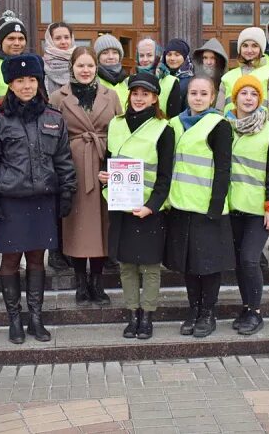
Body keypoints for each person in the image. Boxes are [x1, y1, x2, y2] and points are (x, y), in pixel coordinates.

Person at [0, 54, 77, 344]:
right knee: (10, 260)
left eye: (31, 80)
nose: (26, 86)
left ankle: (35, 317)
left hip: (43, 200)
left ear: (39, 82)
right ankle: (14, 320)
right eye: (20, 81)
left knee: (36, 260)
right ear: (10, 84)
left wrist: (67, 190)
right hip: (11, 201)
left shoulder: (53, 118)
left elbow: (63, 160)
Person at [99, 72, 175, 339]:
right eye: (135, 93)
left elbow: (166, 176)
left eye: (146, 94)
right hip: (120, 205)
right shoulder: (116, 124)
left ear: (155, 98)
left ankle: (148, 316)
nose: (139, 98)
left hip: (148, 209)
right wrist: (103, 176)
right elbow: (109, 159)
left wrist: (151, 206)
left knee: (150, 266)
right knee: (126, 265)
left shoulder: (164, 129)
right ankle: (132, 314)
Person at [49, 46, 122, 306]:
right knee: (78, 227)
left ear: (96, 68)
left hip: (103, 165)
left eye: (90, 65)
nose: (85, 70)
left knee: (102, 226)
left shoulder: (111, 95)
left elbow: (121, 130)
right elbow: (53, 135)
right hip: (73, 167)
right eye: (80, 65)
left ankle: (98, 282)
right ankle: (81, 282)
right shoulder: (59, 97)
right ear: (72, 67)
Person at [166, 76, 235, 338]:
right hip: (181, 205)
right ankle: (193, 309)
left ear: (212, 97)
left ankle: (208, 312)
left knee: (208, 265)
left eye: (203, 93)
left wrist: (216, 204)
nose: (197, 97)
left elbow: (223, 167)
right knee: (189, 264)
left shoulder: (219, 125)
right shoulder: (174, 124)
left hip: (207, 207)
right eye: (193, 93)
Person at [225, 75, 269, 335]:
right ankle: (247, 307)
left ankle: (256, 312)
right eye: (243, 93)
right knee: (240, 261)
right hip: (232, 207)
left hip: (258, 210)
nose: (248, 98)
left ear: (260, 99)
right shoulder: (224, 127)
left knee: (250, 260)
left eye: (253, 94)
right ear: (235, 98)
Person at [216, 27, 269, 123]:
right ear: (240, 48)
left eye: (254, 46)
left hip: (260, 131)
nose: (249, 50)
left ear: (261, 49)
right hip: (230, 131)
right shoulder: (227, 77)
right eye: (245, 46)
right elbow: (219, 112)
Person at [0, 10, 28, 96]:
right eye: (11, 38)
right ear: (1, 41)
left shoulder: (31, 64)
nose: (17, 43)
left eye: (21, 39)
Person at [157, 38, 194, 109]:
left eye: (177, 55)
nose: (172, 58)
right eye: (169, 54)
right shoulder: (160, 76)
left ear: (185, 57)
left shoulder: (191, 81)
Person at [94, 34, 130, 105]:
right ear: (97, 57)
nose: (111, 57)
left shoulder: (129, 81)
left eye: (115, 52)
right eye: (105, 53)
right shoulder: (92, 82)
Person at [43, 21, 76, 95]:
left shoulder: (81, 62)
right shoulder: (41, 64)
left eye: (66, 37)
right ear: (50, 40)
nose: (63, 42)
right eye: (58, 38)